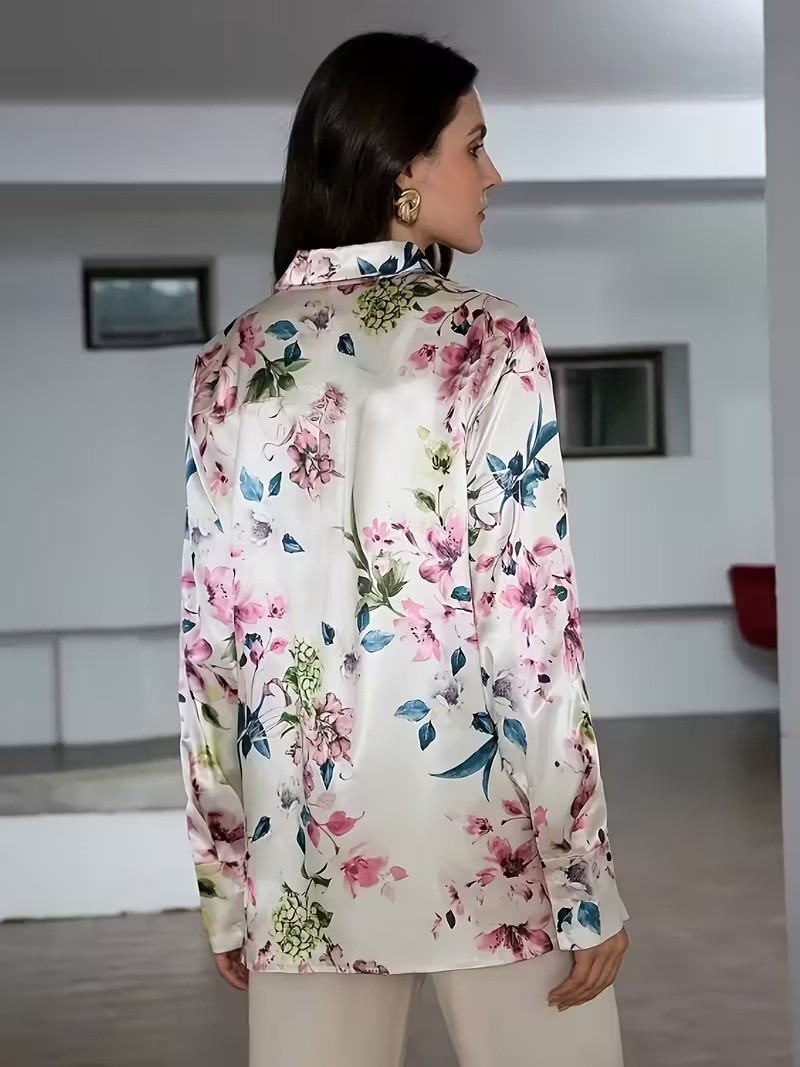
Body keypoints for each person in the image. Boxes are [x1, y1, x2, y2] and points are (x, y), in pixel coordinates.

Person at [177, 31, 629, 1067]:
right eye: (474, 145)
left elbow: (210, 654)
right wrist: (581, 874)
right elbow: (531, 639)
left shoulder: (228, 364)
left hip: (301, 865)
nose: (493, 174)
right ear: (400, 171)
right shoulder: (490, 341)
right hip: (490, 857)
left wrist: (224, 883)